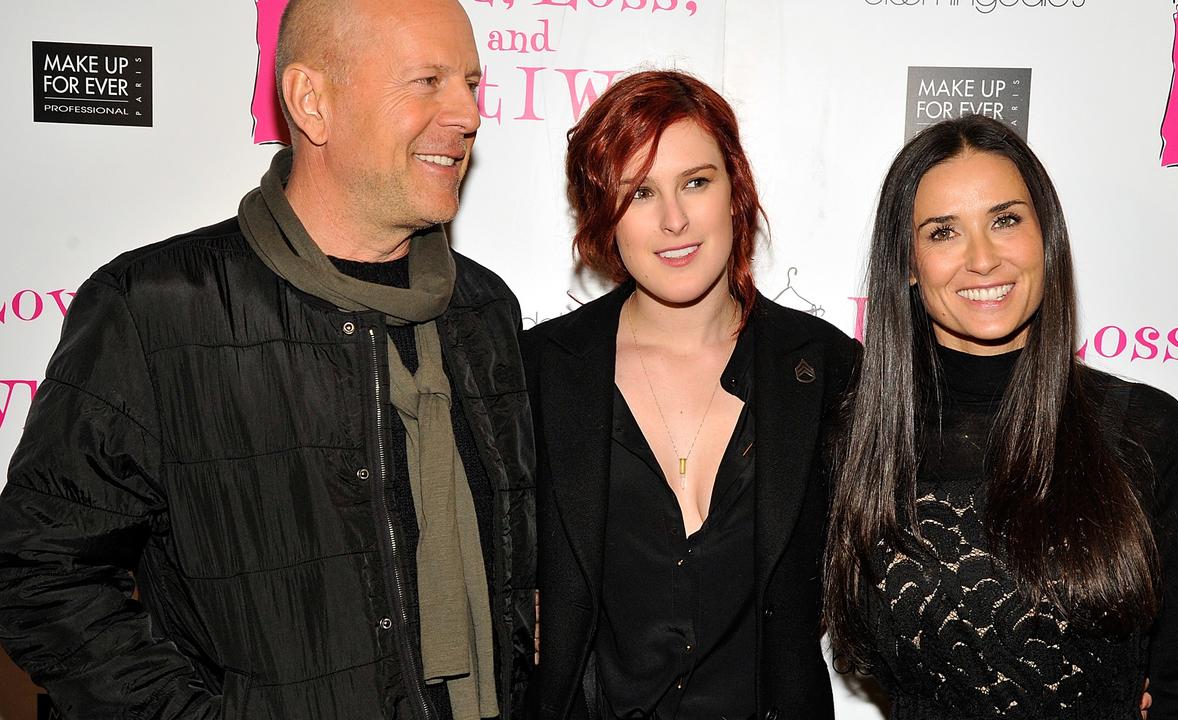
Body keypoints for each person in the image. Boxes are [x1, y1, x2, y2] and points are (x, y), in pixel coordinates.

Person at [0, 0, 534, 718]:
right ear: (313, 102)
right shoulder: (155, 308)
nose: (468, 114)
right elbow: (39, 572)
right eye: (428, 81)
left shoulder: (483, 311)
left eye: (471, 82)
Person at [823, 114, 1178, 719]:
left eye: (1005, 220)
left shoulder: (1147, 429)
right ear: (907, 263)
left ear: (1047, 238)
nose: (982, 259)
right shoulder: (855, 438)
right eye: (943, 233)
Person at [524, 70, 859, 720]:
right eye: (640, 191)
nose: (673, 219)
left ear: (735, 188)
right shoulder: (539, 371)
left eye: (695, 182)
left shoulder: (827, 370)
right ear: (603, 212)